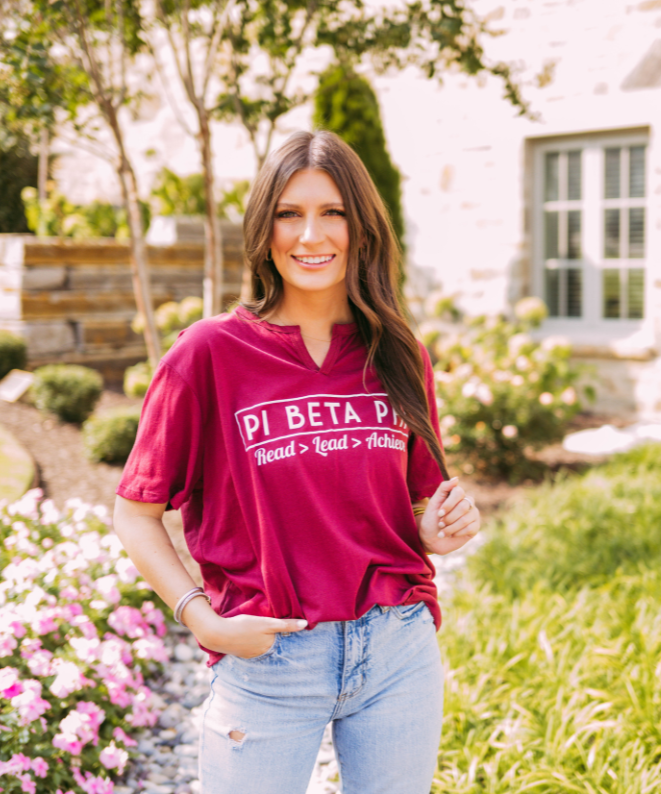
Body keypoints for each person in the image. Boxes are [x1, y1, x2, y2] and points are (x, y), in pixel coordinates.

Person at [112, 129, 481, 794]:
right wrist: (203, 619)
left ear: (360, 228)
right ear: (264, 228)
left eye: (331, 212)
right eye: (289, 213)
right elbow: (134, 514)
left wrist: (438, 529)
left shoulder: (398, 354)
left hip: (396, 648)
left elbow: (419, 505)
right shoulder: (207, 354)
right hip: (269, 659)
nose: (310, 235)